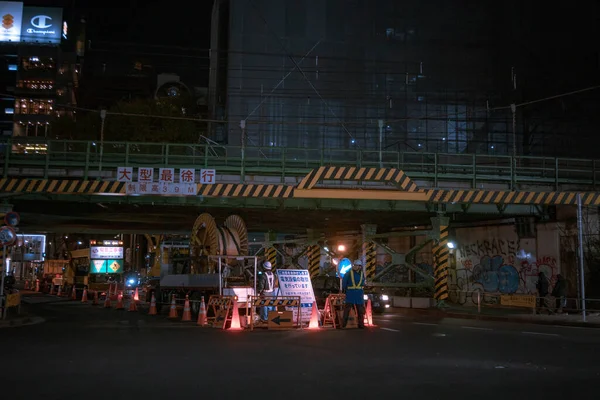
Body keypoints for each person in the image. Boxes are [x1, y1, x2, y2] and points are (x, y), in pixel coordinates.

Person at [341, 259, 365, 329]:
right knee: (347, 310)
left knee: (360, 310)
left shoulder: (361, 273)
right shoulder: (348, 273)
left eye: (356, 265)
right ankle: (343, 325)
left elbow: (363, 282)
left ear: (360, 266)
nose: (354, 266)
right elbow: (344, 282)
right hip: (351, 294)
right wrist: (344, 290)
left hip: (358, 294)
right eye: (354, 265)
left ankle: (361, 324)